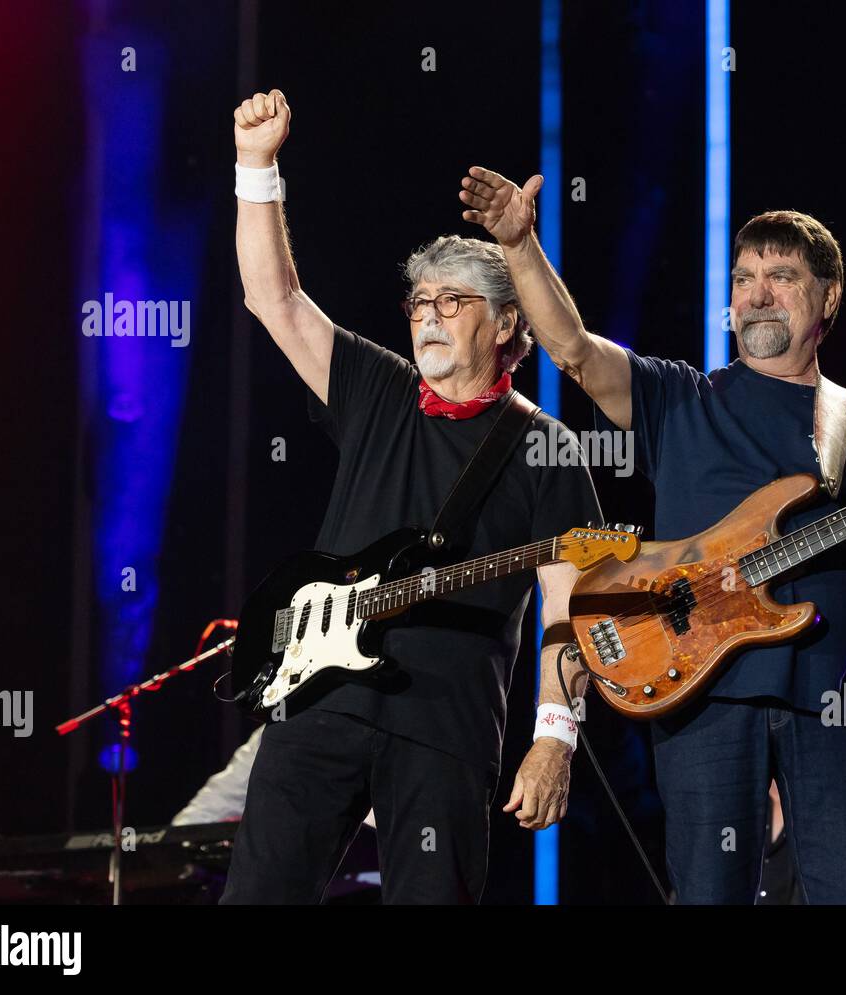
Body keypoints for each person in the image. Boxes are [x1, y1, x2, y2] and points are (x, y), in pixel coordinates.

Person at [457, 167, 846, 904]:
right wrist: (521, 246)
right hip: (701, 691)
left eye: (781, 275)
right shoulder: (684, 398)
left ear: (828, 296)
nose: (758, 293)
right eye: (745, 278)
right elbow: (575, 351)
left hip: (836, 701)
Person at [219, 92, 602, 904]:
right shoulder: (378, 388)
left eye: (451, 302)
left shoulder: (547, 447)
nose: (427, 317)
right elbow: (273, 299)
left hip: (446, 731)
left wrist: (555, 740)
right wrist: (258, 165)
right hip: (318, 699)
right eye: (419, 303)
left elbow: (575, 604)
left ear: (505, 325)